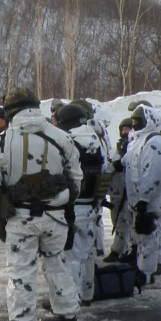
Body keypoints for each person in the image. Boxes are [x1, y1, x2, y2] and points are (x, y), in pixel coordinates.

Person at [0, 87, 82, 321]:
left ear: (10, 111)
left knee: (21, 271)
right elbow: (76, 178)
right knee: (58, 265)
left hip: (20, 218)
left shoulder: (0, 142)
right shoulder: (61, 137)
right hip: (56, 217)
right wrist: (66, 205)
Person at [53, 102, 111, 307]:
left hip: (72, 207)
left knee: (70, 257)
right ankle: (87, 294)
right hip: (91, 206)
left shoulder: (68, 142)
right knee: (87, 255)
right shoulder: (96, 141)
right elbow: (106, 171)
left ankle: (71, 302)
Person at [123, 102, 161, 287]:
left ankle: (147, 273)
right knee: (141, 237)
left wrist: (144, 199)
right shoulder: (137, 140)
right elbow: (128, 163)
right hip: (138, 200)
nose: (134, 124)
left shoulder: (154, 142)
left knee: (149, 237)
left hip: (149, 201)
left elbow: (152, 173)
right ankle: (141, 267)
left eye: (137, 120)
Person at [103, 118, 135, 262]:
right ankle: (120, 248)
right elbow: (108, 166)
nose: (125, 132)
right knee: (118, 221)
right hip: (116, 192)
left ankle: (122, 249)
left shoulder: (135, 146)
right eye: (123, 129)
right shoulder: (117, 148)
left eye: (128, 129)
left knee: (127, 222)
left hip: (129, 192)